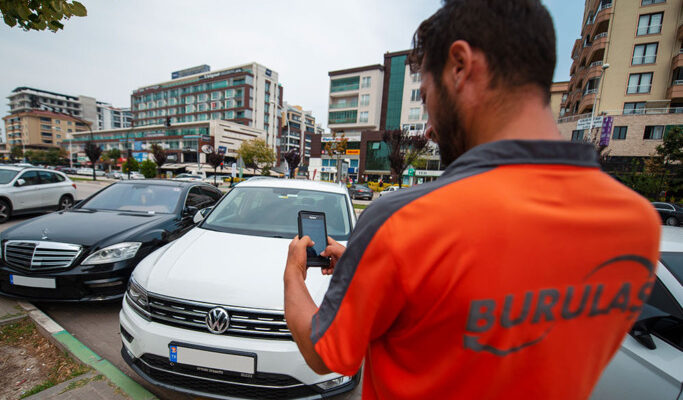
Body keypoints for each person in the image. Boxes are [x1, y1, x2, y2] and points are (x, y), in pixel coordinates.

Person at [283, 1, 661, 399]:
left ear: (460, 66)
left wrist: (293, 273)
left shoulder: (404, 223)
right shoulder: (637, 223)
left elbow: (325, 354)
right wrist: (378, 274)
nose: (429, 128)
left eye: (428, 96)